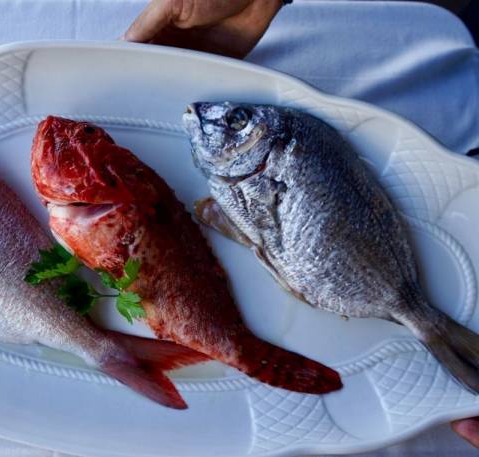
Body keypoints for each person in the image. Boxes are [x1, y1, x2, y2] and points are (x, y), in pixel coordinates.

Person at [122, 0, 479, 449]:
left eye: (236, 121)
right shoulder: (255, 168)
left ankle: (430, 327)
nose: (209, 116)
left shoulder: (274, 158)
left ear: (271, 149)